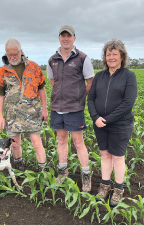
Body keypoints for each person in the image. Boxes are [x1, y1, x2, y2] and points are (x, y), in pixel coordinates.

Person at [87, 39, 137, 206]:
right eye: (109, 54)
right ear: (105, 57)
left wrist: (107, 119)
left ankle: (118, 189)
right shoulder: (99, 76)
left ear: (122, 56)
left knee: (118, 157)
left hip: (121, 124)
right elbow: (91, 98)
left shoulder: (129, 76)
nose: (111, 57)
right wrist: (95, 117)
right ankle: (104, 186)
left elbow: (127, 103)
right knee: (105, 155)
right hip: (100, 124)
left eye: (115, 54)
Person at [47, 25, 95, 193]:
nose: (66, 38)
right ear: (59, 38)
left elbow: (90, 81)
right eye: (63, 36)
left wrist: (79, 97)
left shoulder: (82, 58)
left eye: (69, 36)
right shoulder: (52, 59)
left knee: (78, 142)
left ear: (74, 38)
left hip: (74, 108)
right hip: (57, 108)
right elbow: (53, 82)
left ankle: (86, 175)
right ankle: (62, 171)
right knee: (61, 140)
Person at [0, 39, 48, 172]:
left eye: (15, 55)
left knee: (37, 143)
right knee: (15, 144)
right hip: (13, 114)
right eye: (9, 55)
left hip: (33, 112)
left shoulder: (34, 67)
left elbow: (42, 90)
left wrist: (44, 109)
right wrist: (0, 116)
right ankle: (18, 165)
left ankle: (43, 170)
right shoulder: (3, 71)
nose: (12, 58)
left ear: (21, 52)